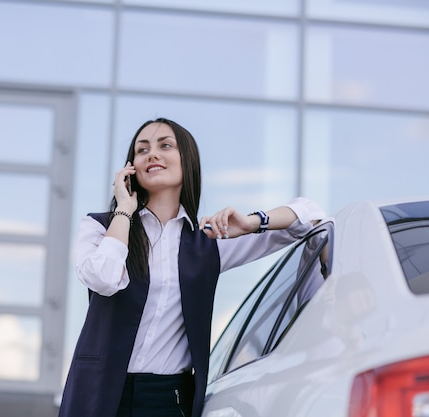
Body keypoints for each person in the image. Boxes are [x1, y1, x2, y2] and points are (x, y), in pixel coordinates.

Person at [58, 118, 325, 417]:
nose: (152, 154)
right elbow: (103, 279)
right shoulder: (99, 227)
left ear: (188, 160)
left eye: (165, 145)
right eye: (142, 149)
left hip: (168, 400)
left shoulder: (208, 241)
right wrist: (123, 209)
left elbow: (311, 217)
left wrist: (252, 221)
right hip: (96, 393)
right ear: (130, 168)